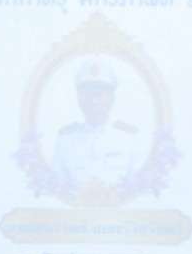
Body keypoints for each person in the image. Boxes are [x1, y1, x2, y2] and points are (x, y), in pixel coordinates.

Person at [51, 59, 140, 189]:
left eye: (100, 94)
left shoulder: (129, 139)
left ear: (112, 98)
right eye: (88, 94)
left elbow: (138, 189)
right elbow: (57, 189)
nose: (94, 100)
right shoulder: (65, 140)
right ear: (79, 99)